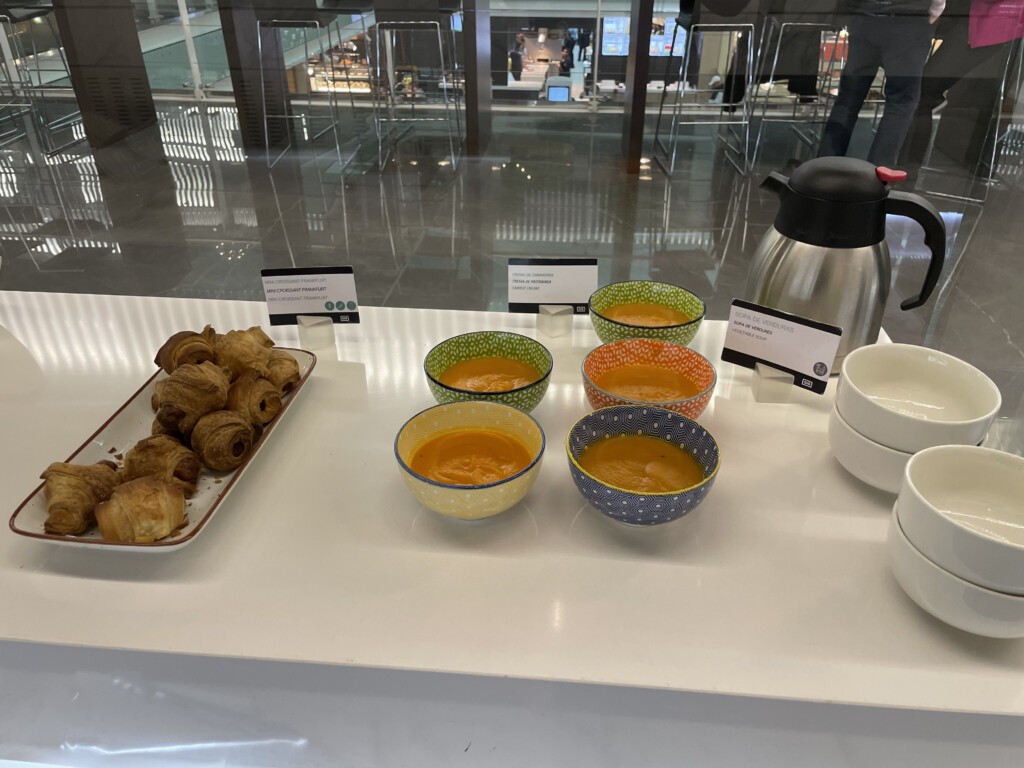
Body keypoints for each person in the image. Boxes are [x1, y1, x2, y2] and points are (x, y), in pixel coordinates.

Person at [900, 0, 1024, 180]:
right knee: (919, 91)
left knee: (923, 93)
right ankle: (904, 172)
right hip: (966, 17)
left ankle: (906, 174)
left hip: (993, 21)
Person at [817, 1, 944, 167]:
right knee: (901, 102)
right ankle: (878, 174)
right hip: (908, 22)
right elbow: (937, 4)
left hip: (866, 17)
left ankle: (824, 166)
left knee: (848, 98)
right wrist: (931, 16)